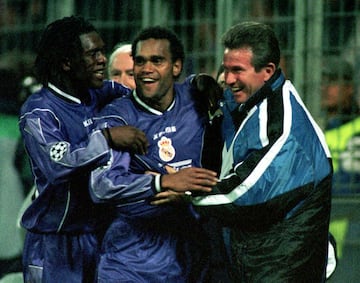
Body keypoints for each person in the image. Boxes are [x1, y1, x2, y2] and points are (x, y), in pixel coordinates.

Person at [160, 21, 333, 282]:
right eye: (225, 70)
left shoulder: (287, 133)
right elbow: (223, 102)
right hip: (255, 262)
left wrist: (184, 190)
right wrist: (198, 84)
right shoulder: (251, 98)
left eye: (237, 71)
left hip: (281, 269)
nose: (228, 80)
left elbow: (244, 193)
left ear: (267, 70)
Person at [18, 15, 148, 283]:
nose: (103, 59)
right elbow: (58, 164)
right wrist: (108, 137)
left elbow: (144, 93)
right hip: (56, 244)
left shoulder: (97, 93)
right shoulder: (39, 111)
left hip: (101, 235)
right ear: (66, 62)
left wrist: (190, 89)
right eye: (93, 54)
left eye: (103, 51)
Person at [90, 26, 220, 282]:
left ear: (176, 67)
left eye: (157, 60)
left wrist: (190, 195)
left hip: (191, 249)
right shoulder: (117, 117)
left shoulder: (198, 99)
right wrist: (163, 181)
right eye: (140, 61)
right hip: (132, 258)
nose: (146, 69)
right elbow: (101, 186)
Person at [322, 57, 360, 194]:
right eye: (324, 82)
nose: (325, 88)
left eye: (333, 82)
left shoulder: (357, 129)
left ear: (349, 88)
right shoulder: (326, 128)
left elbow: (350, 184)